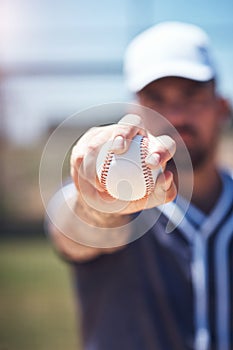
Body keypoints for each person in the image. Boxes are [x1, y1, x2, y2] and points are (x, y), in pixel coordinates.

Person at [47, 22, 232, 350]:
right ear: (135, 112)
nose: (175, 115)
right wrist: (98, 203)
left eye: (191, 95)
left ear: (221, 106)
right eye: (156, 99)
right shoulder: (117, 200)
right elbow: (73, 230)